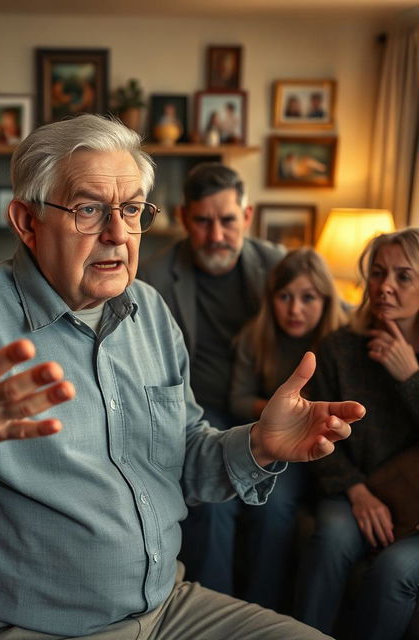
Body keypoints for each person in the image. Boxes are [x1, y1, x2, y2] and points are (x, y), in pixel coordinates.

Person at [0, 115, 362, 640]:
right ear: (27, 222)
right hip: (29, 627)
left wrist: (259, 444)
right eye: (89, 209)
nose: (118, 233)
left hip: (168, 610)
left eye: (133, 209)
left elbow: (183, 460)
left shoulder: (151, 310)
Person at [137, 162, 286, 598]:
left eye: (227, 220)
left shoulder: (277, 268)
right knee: (214, 507)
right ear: (184, 218)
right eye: (203, 221)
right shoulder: (153, 276)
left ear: (247, 215)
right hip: (195, 410)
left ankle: (263, 615)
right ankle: (215, 614)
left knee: (274, 506)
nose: (216, 234)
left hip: (261, 405)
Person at [294, 228, 419, 640]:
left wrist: (411, 377)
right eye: (378, 273)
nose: (385, 287)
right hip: (351, 490)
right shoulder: (339, 347)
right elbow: (314, 431)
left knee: (393, 571)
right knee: (330, 537)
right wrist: (357, 491)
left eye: (404, 276)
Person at [229, 248, 347, 610]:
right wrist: (278, 414)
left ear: (326, 300)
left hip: (331, 456)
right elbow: (238, 398)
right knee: (271, 503)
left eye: (308, 298)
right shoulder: (257, 336)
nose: (295, 309)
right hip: (282, 449)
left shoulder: (340, 340)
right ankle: (257, 607)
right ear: (271, 299)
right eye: (285, 297)